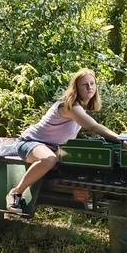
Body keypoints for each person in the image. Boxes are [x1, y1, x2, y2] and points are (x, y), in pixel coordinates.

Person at [7, 68, 119, 212]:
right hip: (30, 142)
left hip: (54, 147)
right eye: (84, 85)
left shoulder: (82, 108)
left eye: (92, 83)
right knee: (49, 159)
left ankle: (87, 199)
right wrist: (121, 139)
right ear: (76, 88)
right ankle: (15, 193)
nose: (89, 87)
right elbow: (94, 127)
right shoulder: (71, 106)